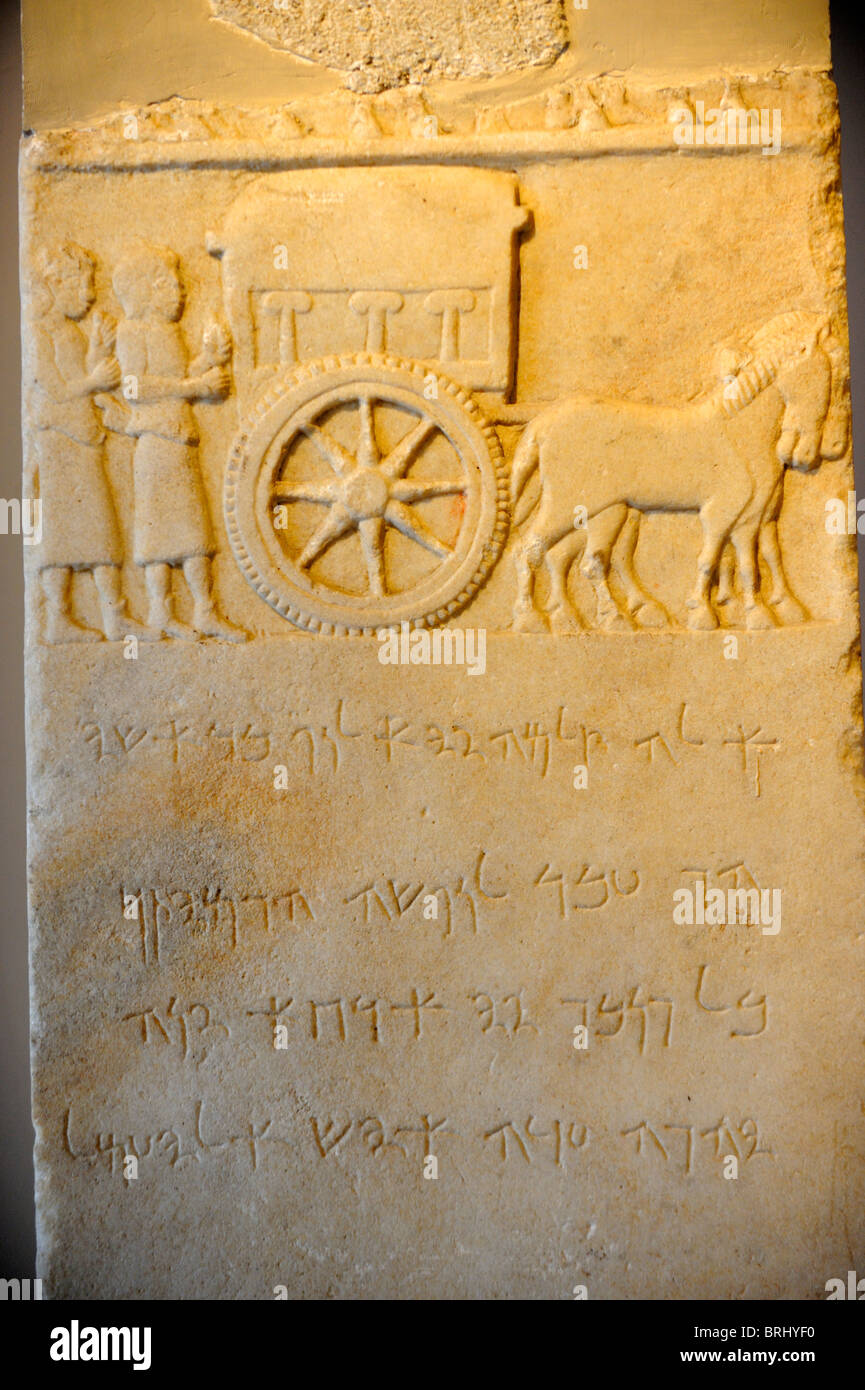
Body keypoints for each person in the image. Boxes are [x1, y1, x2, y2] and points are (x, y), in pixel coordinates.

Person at [112, 243, 246, 641]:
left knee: (194, 532)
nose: (181, 291)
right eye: (171, 284)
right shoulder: (131, 331)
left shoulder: (168, 333)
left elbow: (176, 377)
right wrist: (194, 386)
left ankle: (205, 611)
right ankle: (160, 612)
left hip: (180, 438)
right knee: (158, 533)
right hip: (155, 440)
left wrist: (205, 360)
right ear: (146, 292)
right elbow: (134, 386)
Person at [27, 242, 148, 643]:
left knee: (100, 528)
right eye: (82, 285)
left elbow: (80, 375)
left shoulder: (68, 329)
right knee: (59, 536)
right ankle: (58, 619)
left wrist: (97, 347)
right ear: (55, 284)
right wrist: (96, 379)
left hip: (82, 439)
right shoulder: (38, 331)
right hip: (59, 441)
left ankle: (115, 616)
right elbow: (58, 388)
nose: (91, 294)